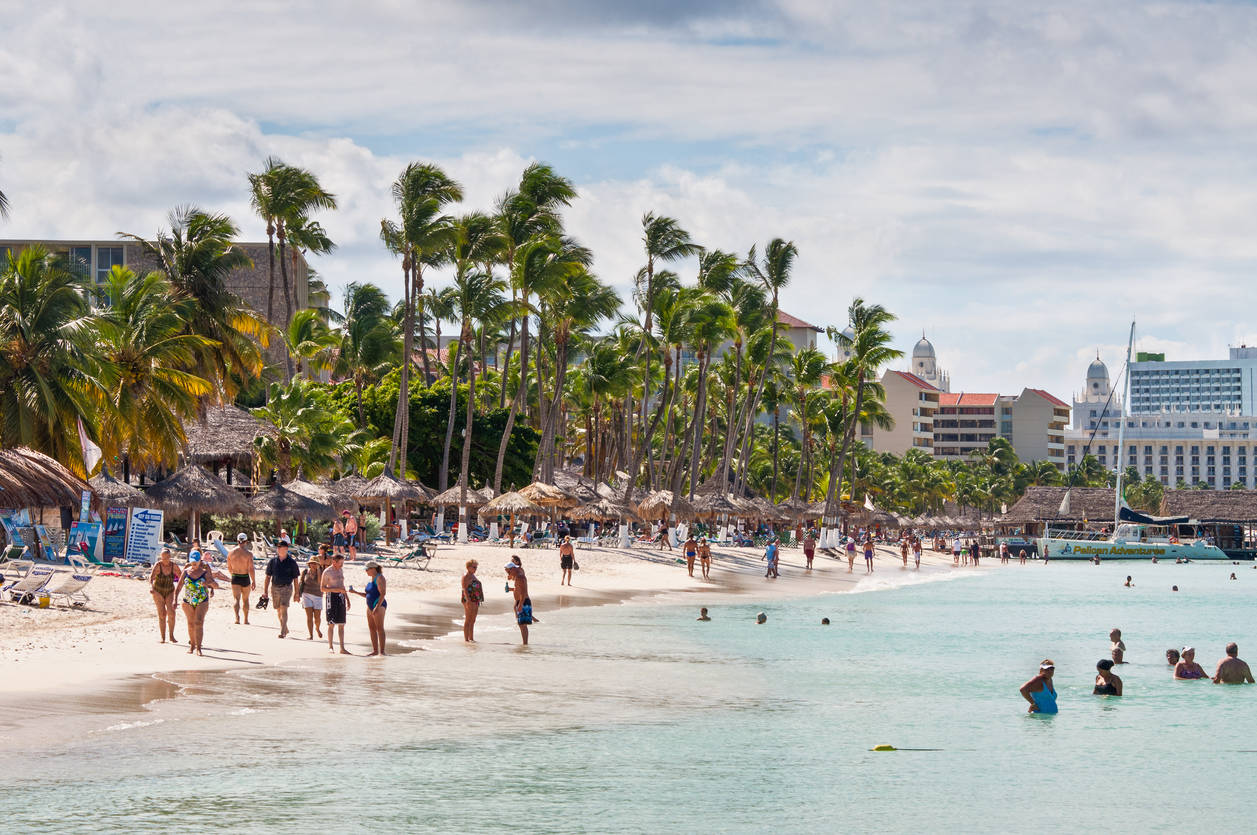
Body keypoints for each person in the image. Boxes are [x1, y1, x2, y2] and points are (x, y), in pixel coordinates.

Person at [175, 551, 217, 656]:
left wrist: (207, 583)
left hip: (202, 600)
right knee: (190, 623)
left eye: (196, 562)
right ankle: (192, 645)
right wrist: (174, 600)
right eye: (192, 562)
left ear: (199, 561)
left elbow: (216, 585)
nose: (194, 564)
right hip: (188, 601)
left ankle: (199, 647)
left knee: (198, 622)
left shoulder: (204, 572)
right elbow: (179, 586)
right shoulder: (185, 572)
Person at [263, 539, 301, 639]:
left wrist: (297, 593)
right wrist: (265, 592)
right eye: (278, 547)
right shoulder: (272, 562)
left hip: (287, 588)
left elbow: (296, 579)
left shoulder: (292, 562)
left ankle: (283, 632)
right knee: (278, 610)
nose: (279, 549)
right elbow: (267, 577)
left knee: (284, 608)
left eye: (281, 548)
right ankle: (285, 628)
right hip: (274, 587)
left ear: (286, 549)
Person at [349, 561, 388, 656]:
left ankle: (382, 652)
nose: (366, 571)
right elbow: (368, 595)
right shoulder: (371, 580)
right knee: (371, 628)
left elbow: (383, 593)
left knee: (380, 628)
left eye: (367, 569)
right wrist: (355, 592)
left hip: (379, 605)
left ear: (373, 569)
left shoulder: (380, 578)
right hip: (369, 606)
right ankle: (375, 651)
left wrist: (376, 607)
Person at [148, 546, 182, 644]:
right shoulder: (158, 565)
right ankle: (163, 637)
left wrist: (180, 589)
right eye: (162, 558)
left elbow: (182, 577)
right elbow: (151, 577)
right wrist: (151, 587)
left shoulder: (174, 566)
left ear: (169, 557)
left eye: (166, 558)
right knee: (162, 614)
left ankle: (171, 636)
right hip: (158, 591)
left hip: (170, 590)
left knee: (172, 613)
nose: (164, 560)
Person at [321, 553, 351, 655]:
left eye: (343, 562)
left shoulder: (341, 570)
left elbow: (342, 586)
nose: (342, 565)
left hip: (341, 597)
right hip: (331, 597)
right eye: (340, 562)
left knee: (342, 624)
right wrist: (336, 589)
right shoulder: (327, 572)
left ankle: (342, 648)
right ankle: (330, 646)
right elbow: (323, 588)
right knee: (331, 623)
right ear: (334, 562)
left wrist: (347, 598)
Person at [225, 532, 255, 625]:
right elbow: (251, 569)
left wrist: (233, 575)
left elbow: (229, 567)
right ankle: (246, 619)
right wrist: (254, 580)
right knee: (245, 599)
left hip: (235, 577)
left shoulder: (231, 553)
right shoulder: (249, 554)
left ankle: (237, 618)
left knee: (236, 599)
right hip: (245, 577)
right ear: (246, 541)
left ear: (238, 541)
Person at [299, 549, 325, 640]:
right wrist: (298, 595)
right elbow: (301, 583)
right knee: (309, 616)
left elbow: (319, 582)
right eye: (312, 563)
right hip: (306, 595)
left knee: (317, 618)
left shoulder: (321, 572)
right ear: (309, 564)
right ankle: (311, 635)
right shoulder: (305, 572)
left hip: (318, 596)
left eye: (315, 563)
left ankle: (317, 628)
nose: (313, 565)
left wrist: (318, 570)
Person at [505, 558, 531, 645]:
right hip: (519, 601)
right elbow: (518, 589)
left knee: (523, 625)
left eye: (508, 571)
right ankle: (524, 644)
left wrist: (520, 604)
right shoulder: (517, 577)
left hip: (523, 601)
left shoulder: (520, 577)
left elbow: (523, 592)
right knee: (521, 625)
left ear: (512, 569)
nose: (508, 574)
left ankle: (525, 644)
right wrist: (510, 589)